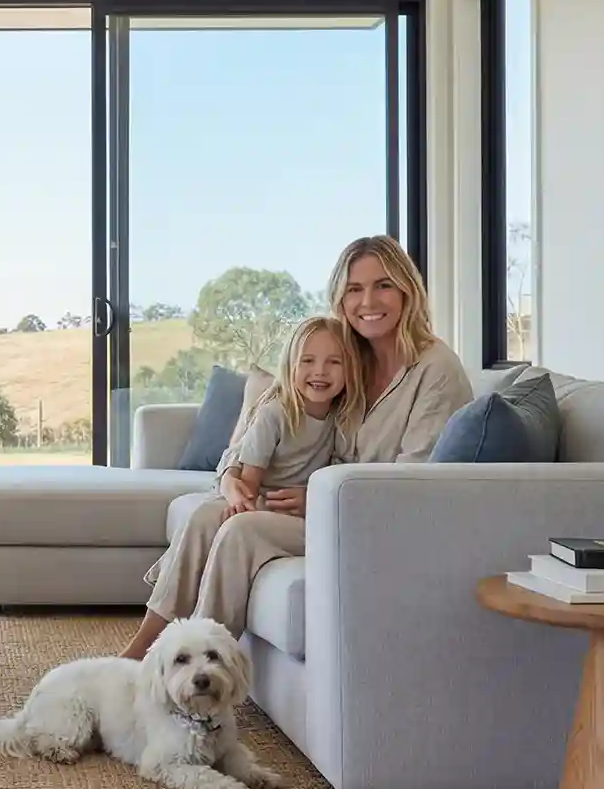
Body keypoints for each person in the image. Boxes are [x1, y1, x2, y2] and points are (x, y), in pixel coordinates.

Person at [120, 235, 473, 659]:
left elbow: (411, 484)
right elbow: (263, 426)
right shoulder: (344, 358)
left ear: (407, 291)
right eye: (354, 289)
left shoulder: (436, 369)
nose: (368, 301)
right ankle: (139, 656)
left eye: (383, 285)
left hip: (372, 521)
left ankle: (203, 668)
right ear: (340, 298)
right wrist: (231, 477)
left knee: (241, 530)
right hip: (316, 508)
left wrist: (321, 497)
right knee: (204, 517)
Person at [220, 315, 362, 519]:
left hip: (304, 511)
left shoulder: (343, 419)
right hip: (262, 503)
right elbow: (249, 485)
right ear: (290, 366)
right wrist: (240, 507)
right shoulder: (273, 414)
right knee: (204, 519)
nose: (320, 371)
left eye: (334, 362)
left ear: (350, 369)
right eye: (308, 360)